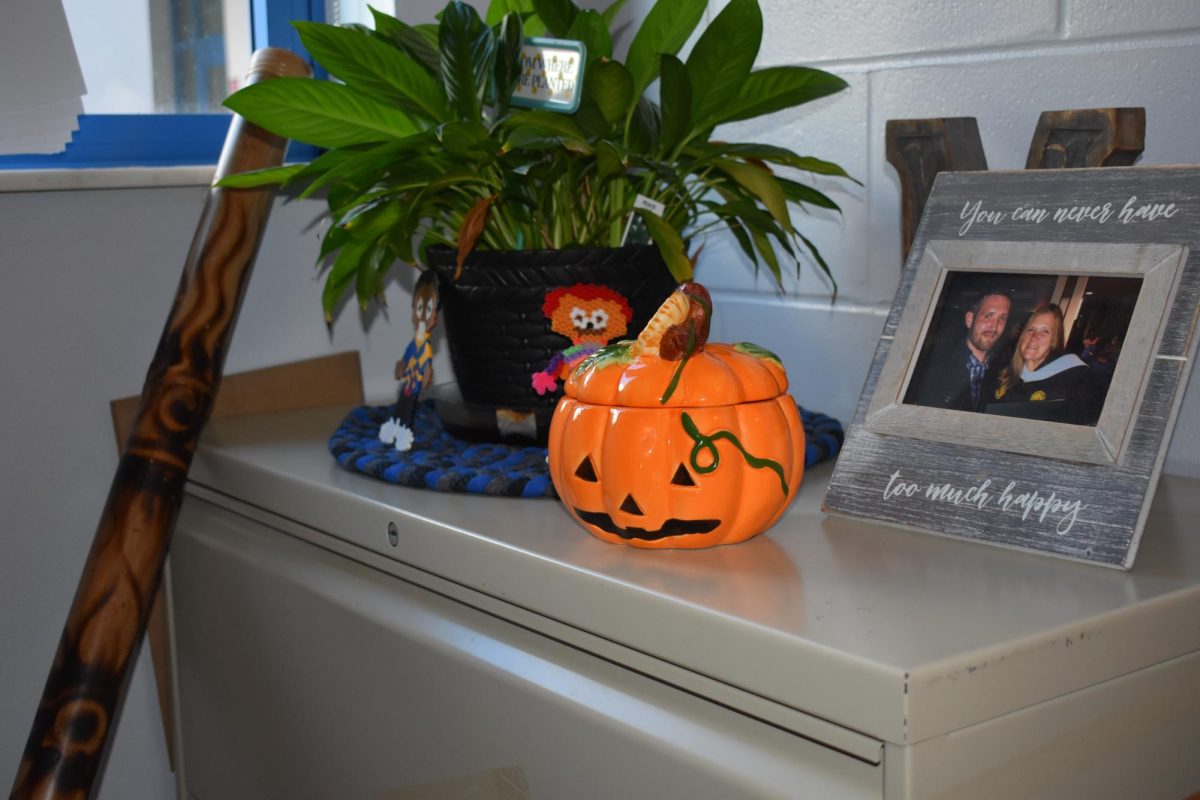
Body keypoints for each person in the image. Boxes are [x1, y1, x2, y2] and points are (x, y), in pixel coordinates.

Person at [987, 303, 1100, 425]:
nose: (1034, 337)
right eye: (1031, 329)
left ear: (1054, 340)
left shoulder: (1075, 379)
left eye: (1044, 331)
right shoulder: (1002, 369)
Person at [906, 290, 1012, 411]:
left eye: (1002, 318)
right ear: (970, 320)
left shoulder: (1004, 369)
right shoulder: (931, 364)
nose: (994, 326)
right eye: (988, 316)